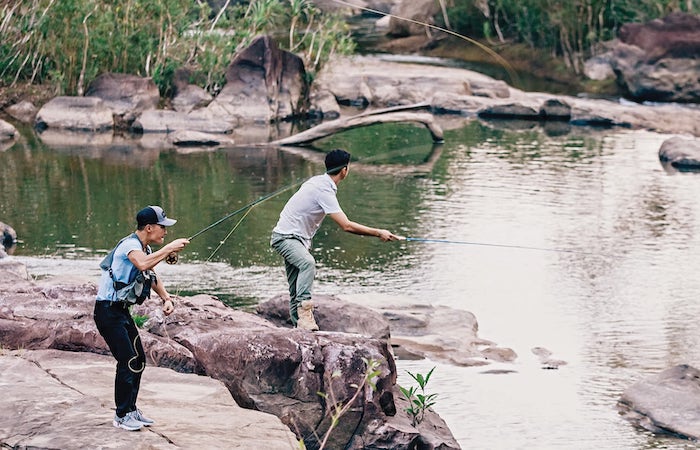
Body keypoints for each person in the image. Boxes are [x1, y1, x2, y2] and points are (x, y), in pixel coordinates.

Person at [271, 149, 399, 331]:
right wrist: (378, 233)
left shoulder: (317, 182)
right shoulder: (324, 190)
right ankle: (306, 317)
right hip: (285, 238)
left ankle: (298, 330)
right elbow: (346, 226)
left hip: (295, 239)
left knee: (294, 290)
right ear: (344, 170)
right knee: (307, 264)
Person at [94, 205, 189, 431]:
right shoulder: (130, 246)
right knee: (127, 359)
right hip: (107, 311)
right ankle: (121, 416)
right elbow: (143, 264)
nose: (165, 232)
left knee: (138, 360)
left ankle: (131, 409)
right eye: (162, 227)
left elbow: (151, 275)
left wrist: (166, 298)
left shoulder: (144, 248)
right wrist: (168, 249)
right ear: (149, 228)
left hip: (120, 312)